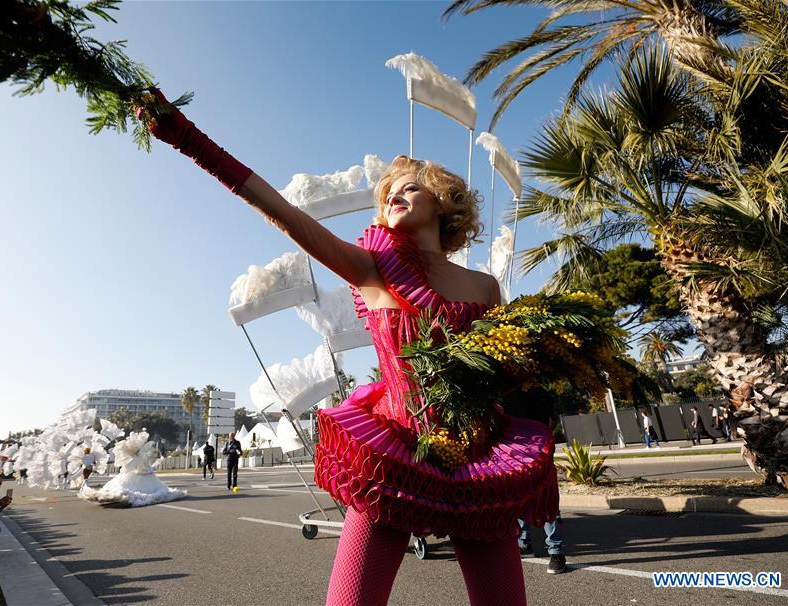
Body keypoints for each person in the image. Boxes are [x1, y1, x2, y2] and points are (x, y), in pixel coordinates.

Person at [141, 90, 558, 606]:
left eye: (407, 189)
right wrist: (187, 138)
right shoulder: (372, 270)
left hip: (477, 460)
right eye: (387, 196)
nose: (392, 199)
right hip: (393, 459)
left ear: (443, 200)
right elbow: (281, 212)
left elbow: (502, 370)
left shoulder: (484, 286)